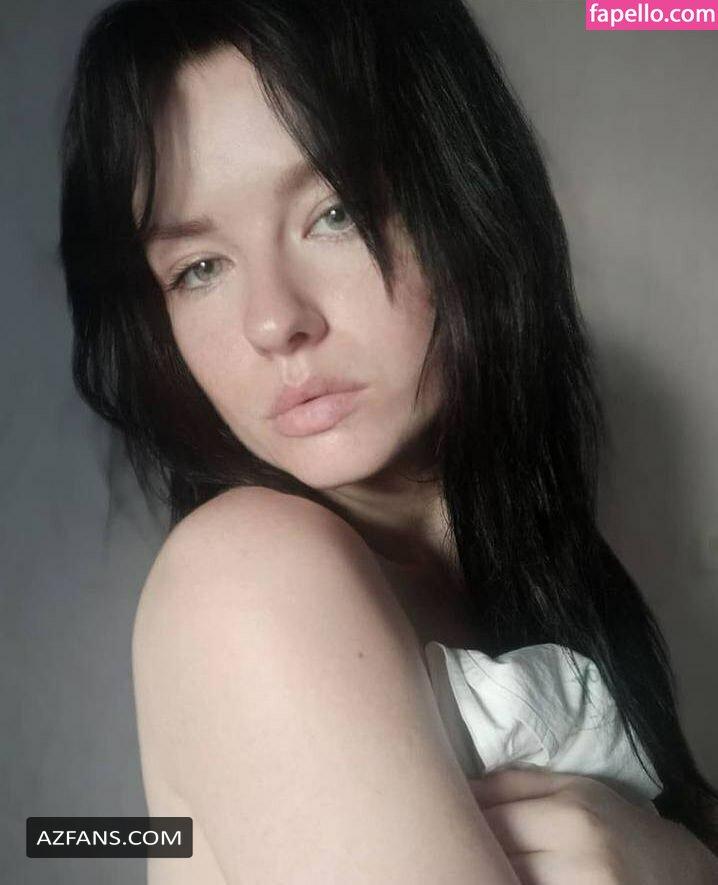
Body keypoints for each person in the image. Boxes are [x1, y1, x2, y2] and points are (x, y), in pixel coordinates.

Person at [59, 0, 718, 881]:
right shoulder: (248, 573)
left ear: (468, 196)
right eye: (199, 267)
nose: (275, 321)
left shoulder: (543, 577)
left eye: (334, 212)